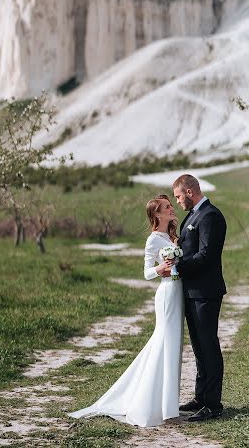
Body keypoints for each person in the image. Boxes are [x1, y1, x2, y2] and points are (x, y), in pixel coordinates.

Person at [69, 195, 184, 428]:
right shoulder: (153, 240)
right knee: (163, 343)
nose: (172, 208)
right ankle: (150, 404)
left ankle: (167, 404)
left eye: (171, 205)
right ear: (156, 215)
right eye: (166, 207)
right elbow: (147, 273)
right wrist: (160, 268)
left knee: (173, 346)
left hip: (179, 292)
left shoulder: (172, 236)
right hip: (167, 293)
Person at [173, 174, 227, 422]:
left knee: (208, 346)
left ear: (190, 191)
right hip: (192, 292)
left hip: (205, 292)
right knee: (198, 347)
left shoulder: (210, 216)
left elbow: (207, 255)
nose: (178, 201)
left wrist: (178, 265)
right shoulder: (194, 215)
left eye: (178, 196)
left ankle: (213, 404)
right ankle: (201, 396)